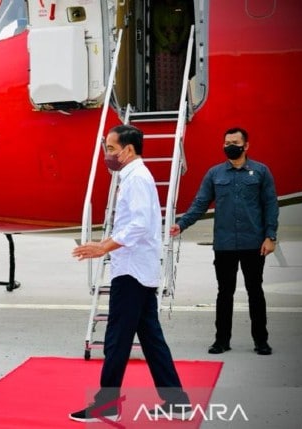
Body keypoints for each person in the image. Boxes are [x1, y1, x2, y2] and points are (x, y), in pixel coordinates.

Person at [69, 125, 191, 422]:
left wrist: (103, 247)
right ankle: (176, 400)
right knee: (150, 337)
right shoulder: (135, 177)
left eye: (111, 148)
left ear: (128, 149)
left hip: (132, 272)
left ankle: (106, 402)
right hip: (138, 269)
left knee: (117, 339)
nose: (107, 154)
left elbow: (136, 226)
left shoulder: (136, 179)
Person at [170, 127, 278, 356]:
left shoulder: (261, 172)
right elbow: (200, 204)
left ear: (246, 145)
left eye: (235, 142)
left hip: (253, 243)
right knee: (224, 293)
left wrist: (271, 237)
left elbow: (270, 205)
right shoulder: (215, 174)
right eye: (227, 142)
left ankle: (261, 341)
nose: (230, 145)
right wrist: (182, 224)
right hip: (225, 244)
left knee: (255, 292)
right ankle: (221, 341)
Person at [153, 0, 192, 110]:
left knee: (178, 82)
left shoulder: (182, 6)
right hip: (162, 51)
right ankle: (162, 108)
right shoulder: (158, 8)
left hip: (179, 51)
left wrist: (180, 42)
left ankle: (177, 108)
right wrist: (166, 43)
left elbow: (187, 27)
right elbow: (155, 28)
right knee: (163, 85)